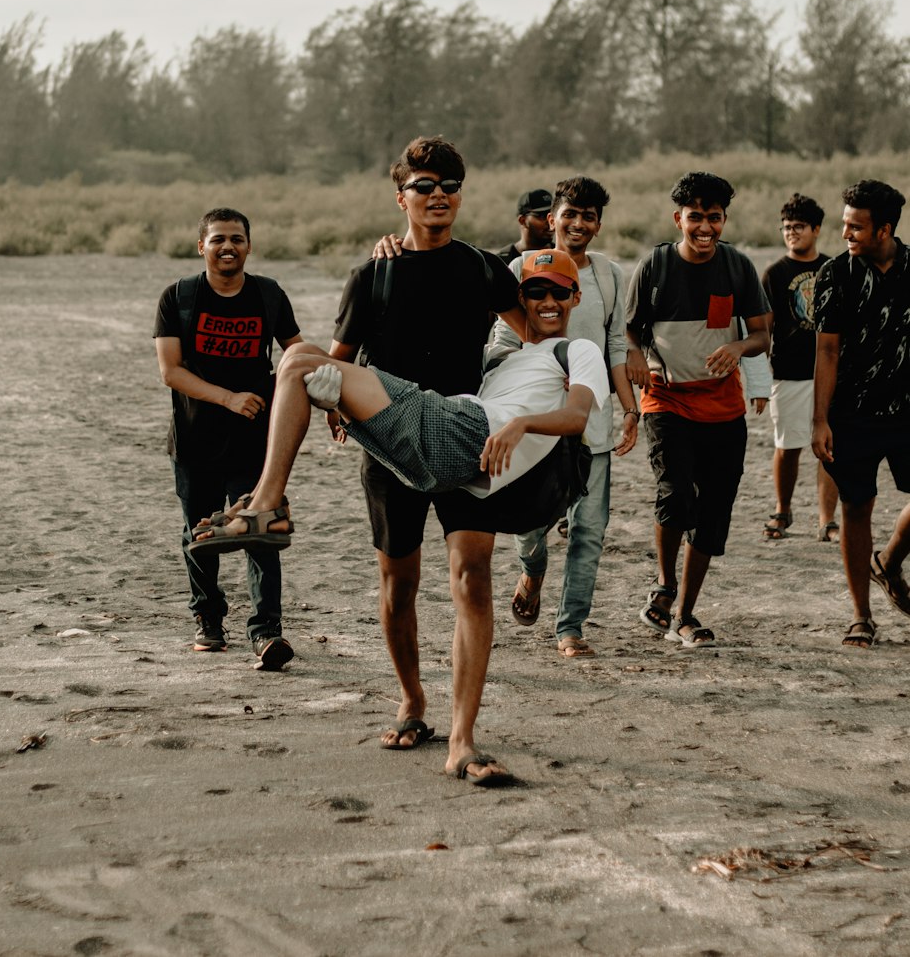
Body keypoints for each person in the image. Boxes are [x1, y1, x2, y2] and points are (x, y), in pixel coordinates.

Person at [191, 247, 608, 785]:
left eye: (559, 292)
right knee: (395, 581)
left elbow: (577, 416)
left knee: (297, 361)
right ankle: (413, 702)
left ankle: (267, 506)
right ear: (518, 299)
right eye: (535, 292)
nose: (547, 301)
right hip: (433, 434)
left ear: (577, 297)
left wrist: (522, 426)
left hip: (458, 429)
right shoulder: (495, 352)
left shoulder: (578, 349)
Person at [325, 136, 525, 758]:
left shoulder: (485, 267)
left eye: (448, 187)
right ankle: (412, 700)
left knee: (471, 580)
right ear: (401, 198)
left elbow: (538, 334)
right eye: (424, 187)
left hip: (470, 440)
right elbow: (336, 367)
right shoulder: (374, 274)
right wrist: (341, 411)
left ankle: (463, 734)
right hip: (393, 452)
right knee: (398, 586)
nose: (437, 197)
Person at [491, 176, 640, 657]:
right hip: (533, 428)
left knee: (589, 531)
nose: (578, 224)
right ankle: (532, 572)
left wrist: (630, 408)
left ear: (598, 224)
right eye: (569, 214)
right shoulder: (519, 268)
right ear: (550, 218)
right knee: (530, 527)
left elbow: (615, 345)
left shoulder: (609, 275)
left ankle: (570, 627)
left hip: (591, 426)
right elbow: (500, 344)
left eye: (589, 215)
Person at [626, 171, 771, 647]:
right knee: (675, 496)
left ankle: (685, 614)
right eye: (695, 217)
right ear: (678, 218)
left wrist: (740, 348)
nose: (704, 227)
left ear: (724, 219)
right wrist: (643, 362)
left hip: (722, 406)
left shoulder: (738, 267)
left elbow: (762, 334)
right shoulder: (654, 267)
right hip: (666, 400)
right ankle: (664, 587)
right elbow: (628, 332)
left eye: (714, 217)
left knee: (712, 512)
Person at [154, 209, 302, 665]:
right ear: (202, 246)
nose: (227, 247)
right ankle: (209, 621)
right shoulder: (178, 297)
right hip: (196, 439)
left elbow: (295, 349)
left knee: (262, 530)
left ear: (248, 246)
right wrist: (228, 398)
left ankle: (266, 631)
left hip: (255, 440)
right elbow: (170, 371)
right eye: (218, 239)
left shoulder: (269, 295)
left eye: (236, 239)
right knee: (200, 533)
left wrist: (316, 391)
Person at [812, 179, 910, 649]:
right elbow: (827, 351)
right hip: (852, 411)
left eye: (856, 227)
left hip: (909, 409)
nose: (845, 234)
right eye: (844, 224)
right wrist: (819, 419)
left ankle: (888, 562)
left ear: (885, 229)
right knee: (856, 506)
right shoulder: (836, 274)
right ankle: (861, 617)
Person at [760, 194, 838, 543]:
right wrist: (759, 379)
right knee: (787, 445)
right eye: (787, 228)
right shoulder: (774, 274)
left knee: (829, 449)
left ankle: (827, 520)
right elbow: (764, 330)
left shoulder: (834, 268)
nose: (792, 233)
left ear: (816, 229)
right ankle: (783, 510)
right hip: (788, 373)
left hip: (830, 372)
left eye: (799, 227)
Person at [492, 188, 554, 265]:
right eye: (542, 216)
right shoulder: (501, 262)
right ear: (522, 220)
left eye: (552, 215)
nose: (550, 221)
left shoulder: (563, 255)